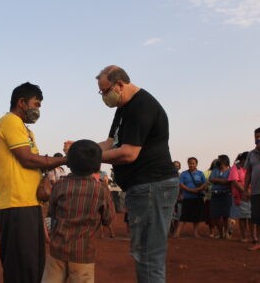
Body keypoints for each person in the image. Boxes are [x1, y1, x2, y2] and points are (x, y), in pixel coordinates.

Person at [69, 65, 179, 283]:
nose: (103, 96)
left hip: (152, 186)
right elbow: (110, 144)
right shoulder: (123, 107)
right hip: (144, 187)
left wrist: (87, 157)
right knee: (144, 253)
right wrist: (80, 149)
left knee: (148, 256)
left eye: (105, 90)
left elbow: (129, 153)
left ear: (119, 84)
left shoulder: (141, 107)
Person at [0, 82, 66, 283]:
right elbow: (28, 159)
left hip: (29, 203)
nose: (38, 109)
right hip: (16, 204)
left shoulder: (26, 131)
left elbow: (35, 163)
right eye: (37, 104)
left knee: (33, 265)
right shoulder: (10, 122)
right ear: (22, 102)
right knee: (21, 266)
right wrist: (65, 160)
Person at [41, 140, 115, 283]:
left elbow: (51, 214)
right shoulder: (101, 190)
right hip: (84, 254)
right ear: (97, 165)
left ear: (69, 162)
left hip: (57, 251)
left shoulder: (60, 185)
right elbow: (109, 219)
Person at [174, 157, 206, 238]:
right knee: (184, 215)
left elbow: (204, 184)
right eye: (190, 163)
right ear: (188, 164)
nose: (191, 165)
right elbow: (181, 184)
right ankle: (177, 233)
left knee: (197, 216)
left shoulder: (200, 173)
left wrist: (198, 189)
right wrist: (190, 190)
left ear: (196, 164)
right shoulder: (184, 174)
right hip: (187, 197)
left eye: (193, 163)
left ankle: (195, 233)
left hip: (197, 198)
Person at [229, 152, 256, 243]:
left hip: (251, 195)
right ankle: (244, 236)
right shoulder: (235, 168)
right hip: (240, 196)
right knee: (243, 217)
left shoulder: (251, 167)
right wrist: (245, 192)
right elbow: (235, 182)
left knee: (252, 217)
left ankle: (254, 237)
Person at [209, 154, 232, 239]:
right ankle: (221, 233)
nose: (218, 161)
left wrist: (217, 180)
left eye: (219, 160)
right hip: (215, 194)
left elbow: (228, 181)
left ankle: (226, 233)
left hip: (226, 194)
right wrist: (222, 181)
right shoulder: (215, 169)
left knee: (226, 215)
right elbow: (211, 179)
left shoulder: (230, 170)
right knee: (216, 215)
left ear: (224, 160)